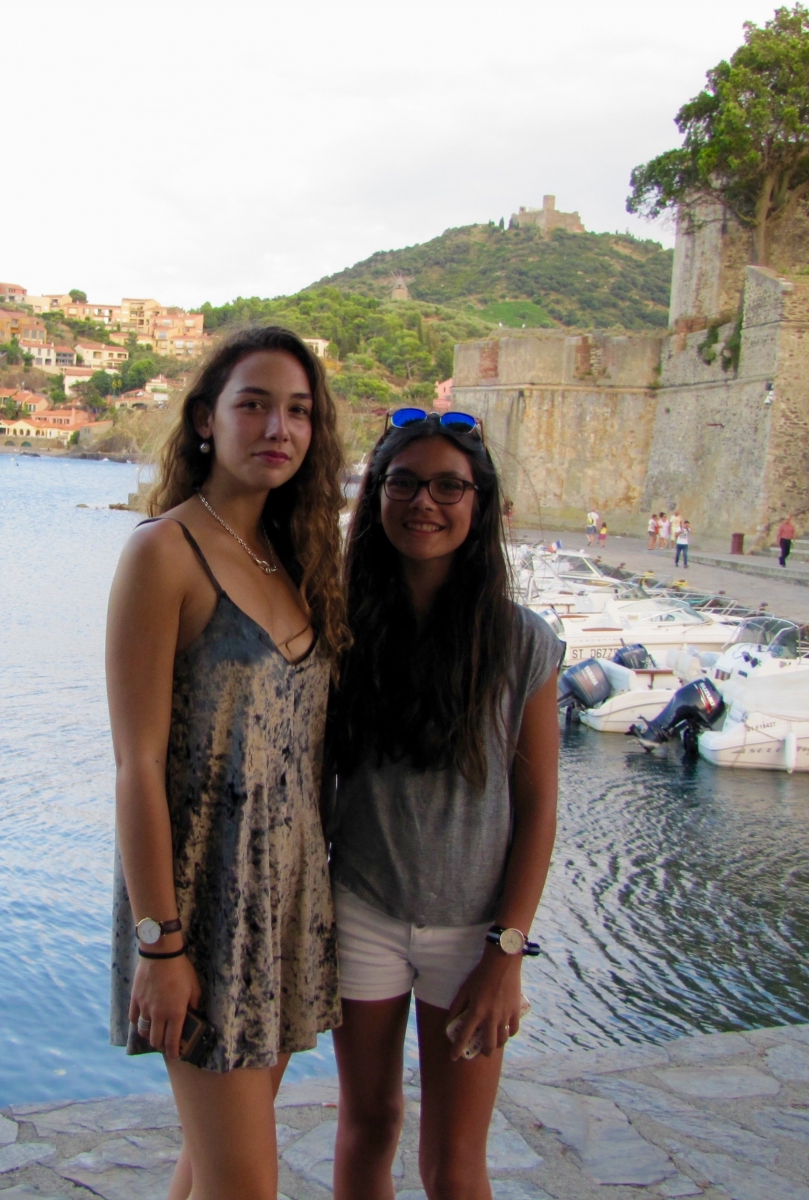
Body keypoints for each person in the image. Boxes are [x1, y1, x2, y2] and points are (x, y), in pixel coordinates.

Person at [106, 326, 347, 1200]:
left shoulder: (297, 559)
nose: (279, 427)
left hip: (284, 904)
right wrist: (159, 944)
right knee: (244, 1184)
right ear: (207, 420)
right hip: (199, 909)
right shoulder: (163, 553)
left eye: (299, 411)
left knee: (210, 1167)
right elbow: (136, 764)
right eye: (255, 405)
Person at [327, 411, 561, 1200]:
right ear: (377, 495)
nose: (424, 501)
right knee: (367, 1127)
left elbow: (538, 805)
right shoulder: (340, 625)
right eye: (403, 482)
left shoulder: (521, 642)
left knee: (456, 1162)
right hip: (362, 909)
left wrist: (506, 952)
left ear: (478, 503)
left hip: (474, 931)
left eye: (448, 486)